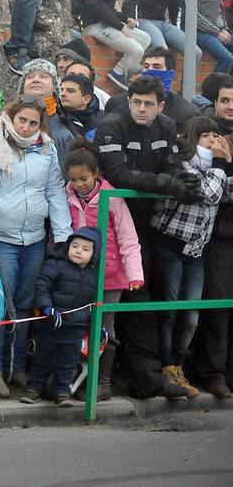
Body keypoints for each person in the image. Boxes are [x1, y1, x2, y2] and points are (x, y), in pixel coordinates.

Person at [90, 74, 202, 401]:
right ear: (128, 101)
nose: (141, 109)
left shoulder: (166, 126)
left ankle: (146, 380)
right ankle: (97, 379)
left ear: (161, 105)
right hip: (107, 226)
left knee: (142, 301)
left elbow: (170, 164)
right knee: (103, 307)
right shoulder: (111, 126)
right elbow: (118, 174)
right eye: (136, 102)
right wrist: (168, 184)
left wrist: (182, 181)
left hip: (146, 226)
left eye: (148, 104)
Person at [0, 94, 69, 397]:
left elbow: (54, 191)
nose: (26, 127)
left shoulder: (46, 147)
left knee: (25, 305)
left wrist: (62, 237)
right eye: (21, 120)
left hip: (34, 238)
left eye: (33, 123)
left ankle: (18, 367)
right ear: (11, 116)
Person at [150, 117, 232, 399]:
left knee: (191, 315)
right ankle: (165, 367)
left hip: (195, 251)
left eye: (216, 135)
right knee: (169, 311)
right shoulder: (181, 164)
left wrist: (226, 165)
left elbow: (227, 193)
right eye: (206, 135)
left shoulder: (218, 168)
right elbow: (207, 193)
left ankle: (178, 364)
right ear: (192, 138)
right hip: (169, 247)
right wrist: (221, 165)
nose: (213, 140)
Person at [63, 142, 143, 399]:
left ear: (96, 173)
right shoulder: (68, 195)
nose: (79, 184)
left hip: (111, 275)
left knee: (104, 329)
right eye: (73, 179)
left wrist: (134, 275)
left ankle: (103, 382)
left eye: (84, 178)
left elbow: (128, 237)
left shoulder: (111, 197)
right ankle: (79, 377)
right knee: (78, 325)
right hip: (79, 274)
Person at [20, 227, 101, 406]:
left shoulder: (92, 276)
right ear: (67, 247)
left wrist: (95, 324)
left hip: (75, 329)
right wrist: (46, 308)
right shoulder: (56, 264)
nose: (78, 251)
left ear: (94, 255)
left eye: (85, 249)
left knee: (68, 362)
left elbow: (92, 303)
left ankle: (62, 392)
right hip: (51, 324)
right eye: (74, 246)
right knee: (42, 358)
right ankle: (33, 389)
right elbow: (42, 285)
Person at [192, 75, 233, 397]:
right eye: (224, 100)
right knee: (217, 308)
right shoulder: (207, 139)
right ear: (215, 103)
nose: (230, 106)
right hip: (219, 236)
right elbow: (216, 194)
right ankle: (212, 372)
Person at [71, 0, 152, 89]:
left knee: (145, 39)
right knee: (137, 51)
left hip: (106, 24)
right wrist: (120, 26)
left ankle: (118, 72)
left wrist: (125, 19)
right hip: (93, 26)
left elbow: (106, 9)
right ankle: (129, 84)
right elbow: (96, 7)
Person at [51, 73, 102, 168]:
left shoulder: (103, 120)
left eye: (70, 91)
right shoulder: (53, 117)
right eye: (61, 90)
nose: (63, 94)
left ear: (86, 99)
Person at [195, 0, 233, 75]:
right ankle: (212, 92)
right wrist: (217, 32)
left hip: (216, 31)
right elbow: (194, 15)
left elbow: (220, 12)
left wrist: (224, 29)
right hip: (198, 32)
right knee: (227, 59)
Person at [141, 48, 197, 127]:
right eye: (146, 66)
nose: (149, 71)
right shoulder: (122, 104)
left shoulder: (186, 112)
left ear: (170, 73)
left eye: (156, 67)